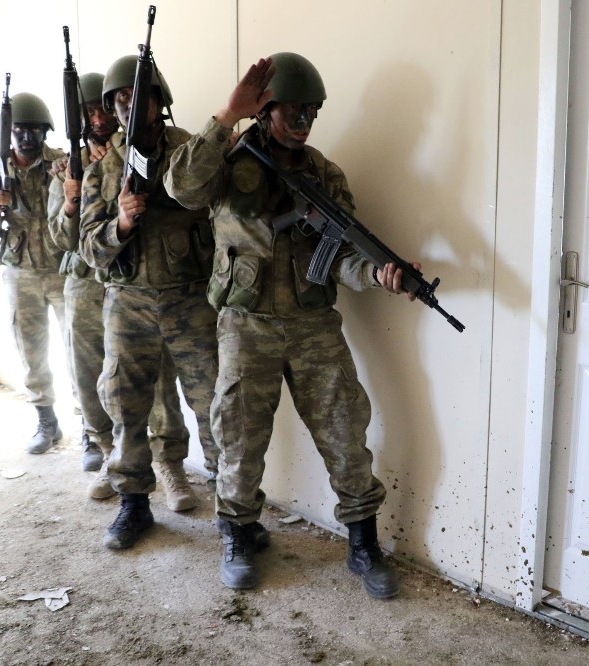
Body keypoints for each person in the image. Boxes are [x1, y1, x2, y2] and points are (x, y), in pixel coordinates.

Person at [166, 53, 419, 598]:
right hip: (245, 324)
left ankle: (363, 543)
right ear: (266, 108)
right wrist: (226, 116)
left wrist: (378, 275)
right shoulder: (227, 159)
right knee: (238, 436)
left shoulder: (324, 174)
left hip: (312, 326)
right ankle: (238, 535)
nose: (303, 122)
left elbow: (344, 257)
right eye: (292, 111)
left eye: (311, 112)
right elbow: (180, 187)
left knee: (345, 431)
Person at [79, 56, 221, 549]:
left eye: (139, 96)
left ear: (160, 102)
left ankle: (234, 511)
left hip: (190, 298)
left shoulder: (190, 152)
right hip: (129, 301)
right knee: (125, 404)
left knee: (214, 403)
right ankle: (134, 504)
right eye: (119, 99)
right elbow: (88, 248)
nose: (128, 106)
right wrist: (119, 224)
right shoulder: (103, 168)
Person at [48, 71, 198, 511]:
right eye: (91, 111)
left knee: (161, 379)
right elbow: (65, 238)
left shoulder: (158, 151)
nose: (100, 118)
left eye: (105, 108)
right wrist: (72, 199)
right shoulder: (74, 165)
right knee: (100, 378)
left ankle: (168, 462)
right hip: (91, 282)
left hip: (147, 283)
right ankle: (110, 454)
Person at [0, 91, 69, 454]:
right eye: (19, 130)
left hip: (63, 268)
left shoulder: (61, 163)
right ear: (9, 132)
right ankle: (46, 420)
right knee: (31, 351)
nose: (27, 137)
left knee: (80, 351)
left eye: (34, 130)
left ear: (45, 131)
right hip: (21, 273)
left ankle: (92, 428)